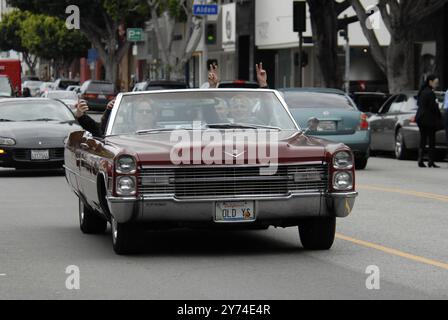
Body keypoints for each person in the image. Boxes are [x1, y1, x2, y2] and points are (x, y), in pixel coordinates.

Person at [415, 74, 442, 168]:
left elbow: (419, 104)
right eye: (436, 83)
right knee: (431, 140)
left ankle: (420, 159)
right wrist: (440, 116)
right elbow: (434, 107)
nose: (437, 85)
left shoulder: (422, 91)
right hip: (428, 119)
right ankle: (431, 161)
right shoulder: (430, 93)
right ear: (430, 82)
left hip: (420, 118)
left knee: (423, 139)